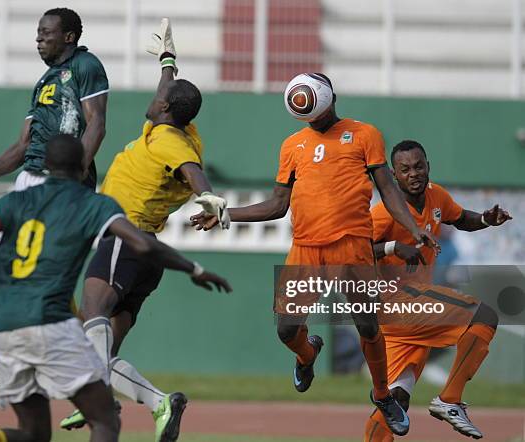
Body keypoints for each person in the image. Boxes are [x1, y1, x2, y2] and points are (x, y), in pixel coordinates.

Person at [0, 135, 230, 442]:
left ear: (45, 167)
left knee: (33, 433)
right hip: (51, 325)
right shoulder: (91, 204)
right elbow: (142, 243)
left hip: (4, 329)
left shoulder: (16, 201)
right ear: (83, 168)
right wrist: (194, 269)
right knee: (104, 418)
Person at [191, 73, 438, 436]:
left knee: (367, 325)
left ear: (329, 96)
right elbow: (277, 205)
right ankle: (307, 355)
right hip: (306, 247)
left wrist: (413, 227)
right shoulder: (292, 145)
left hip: (352, 244)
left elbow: (388, 189)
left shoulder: (365, 135)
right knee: (286, 330)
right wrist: (226, 212)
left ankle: (383, 395)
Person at [59, 19, 231, 442]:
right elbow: (169, 91)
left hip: (124, 238)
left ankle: (156, 402)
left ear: (167, 110)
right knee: (103, 351)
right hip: (146, 253)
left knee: (90, 326)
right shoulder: (176, 125)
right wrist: (167, 59)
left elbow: (194, 174)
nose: (153, 100)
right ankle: (100, 399)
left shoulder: (173, 141)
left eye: (160, 99)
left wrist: (209, 198)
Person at [0, 7, 110, 402]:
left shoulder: (86, 65)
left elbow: (96, 124)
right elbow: (24, 145)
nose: (39, 38)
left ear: (69, 36)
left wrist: (75, 176)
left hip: (61, 181)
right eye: (37, 32)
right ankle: (90, 356)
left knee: (39, 270)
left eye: (47, 32)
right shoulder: (44, 81)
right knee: (26, 269)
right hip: (31, 178)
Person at [364, 140, 511, 441]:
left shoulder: (436, 195)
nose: (413, 174)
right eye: (405, 170)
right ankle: (450, 399)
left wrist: (485, 220)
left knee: (396, 401)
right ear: (394, 175)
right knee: (482, 317)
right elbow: (354, 252)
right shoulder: (384, 213)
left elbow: (460, 218)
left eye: (419, 166)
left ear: (428, 166)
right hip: (394, 304)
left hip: (409, 316)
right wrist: (394, 247)